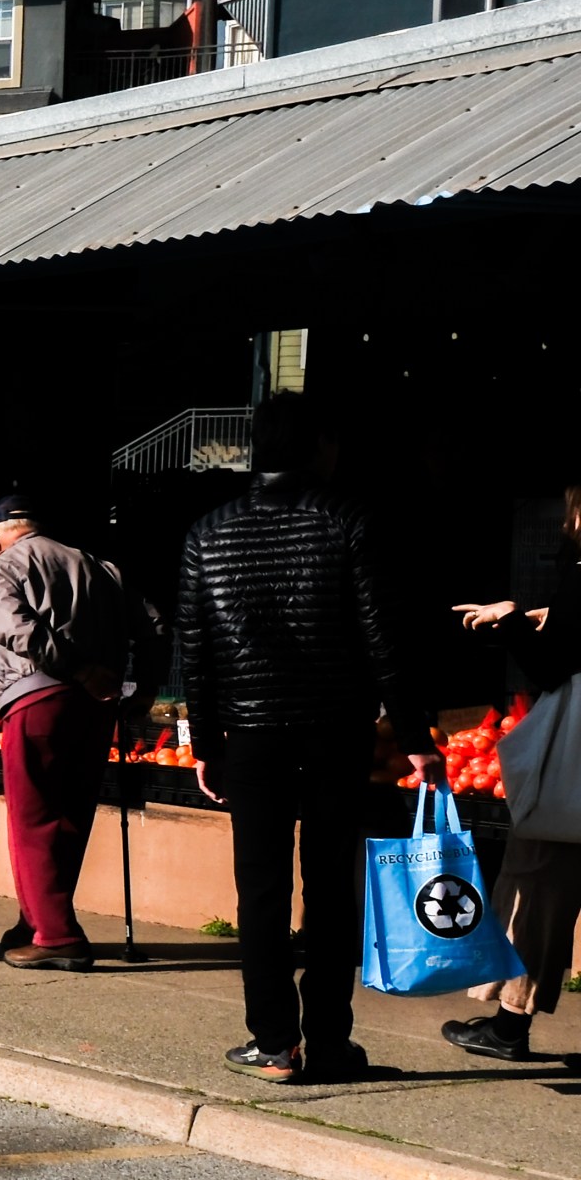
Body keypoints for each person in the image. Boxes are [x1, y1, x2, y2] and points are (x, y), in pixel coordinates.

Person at [176, 401, 435, 1084]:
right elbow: (386, 638)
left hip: (251, 734)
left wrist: (205, 741)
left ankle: (273, 1042)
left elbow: (195, 650)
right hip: (334, 730)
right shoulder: (349, 520)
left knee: (259, 888)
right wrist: (414, 734)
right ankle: (328, 1039)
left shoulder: (208, 533)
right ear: (320, 447)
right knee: (328, 888)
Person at [446, 483, 581, 1063]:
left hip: (573, 766)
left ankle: (508, 1025)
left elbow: (556, 665)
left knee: (537, 883)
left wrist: (512, 623)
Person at [0, 492, 131, 972]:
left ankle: (58, 935)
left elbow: (15, 631)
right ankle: (37, 919)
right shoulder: (98, 566)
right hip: (94, 703)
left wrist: (78, 668)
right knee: (70, 815)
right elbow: (149, 625)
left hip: (35, 696)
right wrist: (124, 684)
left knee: (34, 817)